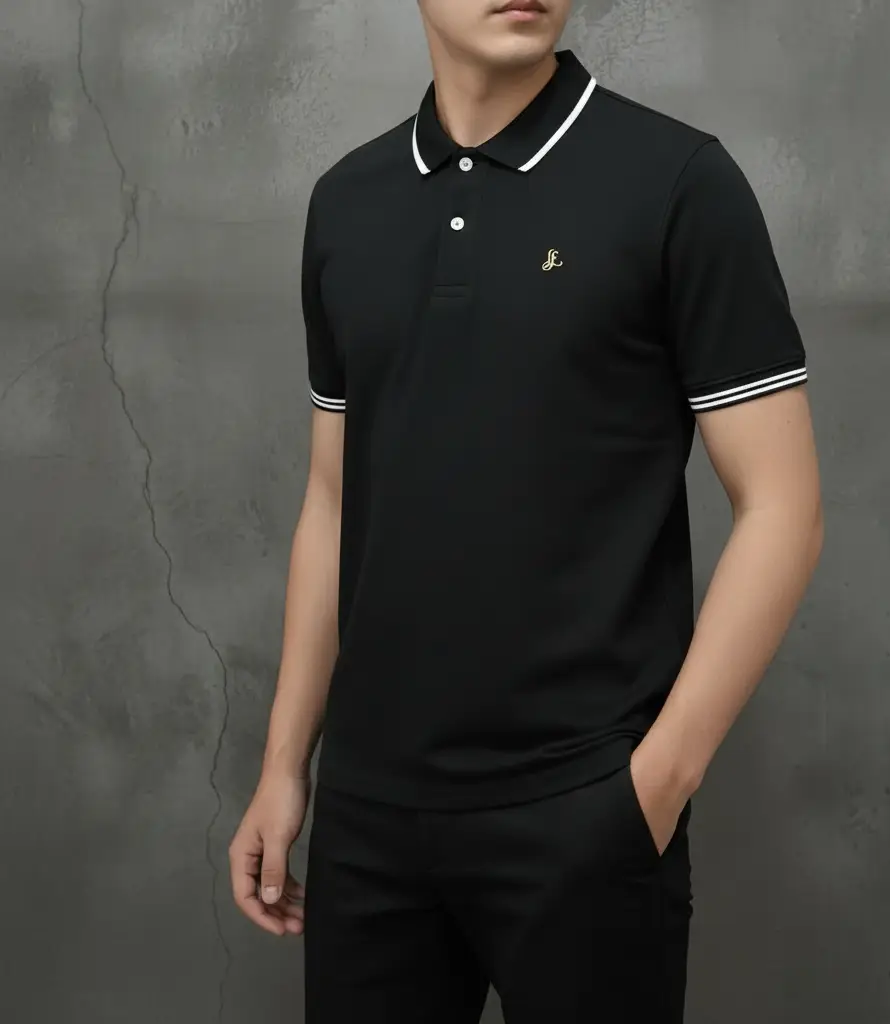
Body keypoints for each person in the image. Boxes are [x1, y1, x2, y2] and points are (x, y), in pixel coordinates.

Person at [228, 1, 823, 1020]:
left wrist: (654, 787)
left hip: (585, 812)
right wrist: (287, 765)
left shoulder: (678, 183)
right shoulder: (347, 203)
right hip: (370, 824)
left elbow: (784, 506)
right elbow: (332, 500)